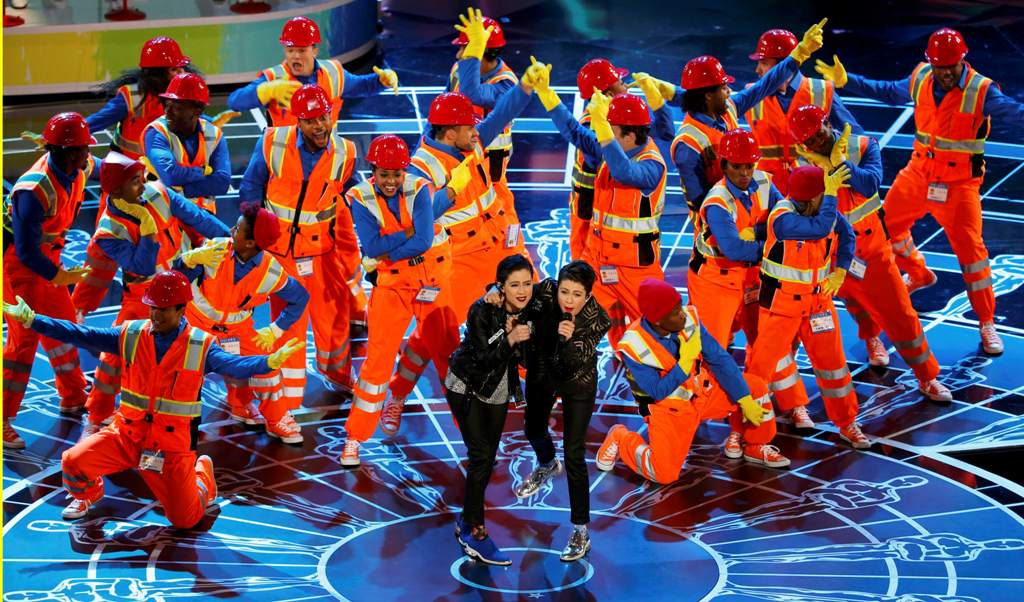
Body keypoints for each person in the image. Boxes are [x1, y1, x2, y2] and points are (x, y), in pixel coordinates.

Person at [1, 271, 303, 524]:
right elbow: (83, 335)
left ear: (181, 310)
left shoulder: (200, 345)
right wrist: (34, 321)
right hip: (126, 436)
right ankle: (88, 494)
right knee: (72, 462)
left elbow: (233, 365)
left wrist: (267, 363)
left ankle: (203, 477)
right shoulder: (131, 333)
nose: (155, 314)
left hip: (169, 449)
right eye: (152, 307)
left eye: (163, 309)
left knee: (185, 521)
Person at [815, 27, 1024, 354]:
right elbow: (889, 91)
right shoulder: (922, 76)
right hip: (918, 174)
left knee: (972, 258)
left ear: (962, 60)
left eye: (949, 66)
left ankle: (986, 322)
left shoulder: (982, 91)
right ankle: (919, 272)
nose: (943, 73)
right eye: (938, 66)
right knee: (886, 228)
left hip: (959, 186)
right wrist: (848, 80)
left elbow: (1018, 114)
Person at [384, 43, 538, 403]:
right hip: (459, 257)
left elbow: (501, 114)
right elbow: (417, 219)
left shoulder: (473, 141)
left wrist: (526, 88)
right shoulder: (421, 167)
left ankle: (533, 383)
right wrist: (448, 194)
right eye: (469, 125)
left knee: (527, 307)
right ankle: (397, 394)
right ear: (450, 132)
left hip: (498, 242)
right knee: (438, 334)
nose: (478, 129)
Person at [788, 104, 952, 403]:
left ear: (827, 121)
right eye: (808, 140)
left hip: (872, 251)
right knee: (853, 303)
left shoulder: (863, 145)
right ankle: (871, 338)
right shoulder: (801, 165)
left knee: (901, 315)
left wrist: (840, 167)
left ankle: (928, 377)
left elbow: (870, 184)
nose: (816, 142)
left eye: (818, 134)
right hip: (831, 255)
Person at [74, 152, 232, 438]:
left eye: (142, 177)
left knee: (187, 354)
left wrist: (227, 240)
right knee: (117, 355)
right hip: (143, 299)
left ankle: (183, 417)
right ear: (117, 189)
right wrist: (147, 227)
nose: (144, 183)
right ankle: (97, 415)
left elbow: (198, 218)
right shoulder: (108, 231)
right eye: (135, 181)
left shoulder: (158, 192)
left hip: (182, 287)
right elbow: (142, 266)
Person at [339, 135, 461, 465]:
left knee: (451, 358)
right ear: (372, 170)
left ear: (404, 171)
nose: (391, 181)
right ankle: (355, 437)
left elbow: (420, 241)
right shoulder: (359, 197)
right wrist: (393, 243)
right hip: (392, 286)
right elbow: (371, 246)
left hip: (432, 279)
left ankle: (470, 432)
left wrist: (388, 248)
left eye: (396, 174)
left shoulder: (420, 188)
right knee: (377, 361)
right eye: (384, 174)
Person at [529, 58, 667, 346]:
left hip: (636, 268)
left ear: (629, 135)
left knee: (661, 338)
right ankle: (543, 386)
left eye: (610, 129)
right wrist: (547, 95)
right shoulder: (612, 144)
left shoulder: (652, 165)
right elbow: (577, 133)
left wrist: (605, 130)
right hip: (597, 259)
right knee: (564, 332)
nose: (603, 135)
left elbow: (625, 172)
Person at [238, 84, 360, 408]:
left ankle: (337, 372)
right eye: (311, 121)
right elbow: (251, 184)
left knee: (333, 319)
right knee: (289, 325)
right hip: (280, 255)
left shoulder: (346, 152)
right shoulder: (272, 142)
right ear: (298, 122)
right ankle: (287, 402)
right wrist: (252, 224)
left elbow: (354, 196)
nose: (319, 126)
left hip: (322, 253)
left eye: (323, 117)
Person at [597, 278, 787, 484]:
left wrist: (744, 399)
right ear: (658, 320)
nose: (683, 313)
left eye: (680, 305)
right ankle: (621, 437)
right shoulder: (633, 346)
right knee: (664, 474)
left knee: (755, 388)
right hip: (670, 410)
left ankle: (754, 445)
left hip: (703, 394)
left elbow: (719, 359)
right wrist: (685, 362)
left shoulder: (688, 319)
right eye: (676, 311)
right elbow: (657, 391)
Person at [746, 165, 872, 449]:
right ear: (811, 197)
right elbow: (819, 230)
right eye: (825, 194)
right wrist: (829, 195)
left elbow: (847, 233)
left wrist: (840, 270)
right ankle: (749, 434)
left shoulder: (823, 213)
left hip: (818, 303)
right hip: (780, 304)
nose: (831, 198)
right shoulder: (782, 219)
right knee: (761, 369)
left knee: (834, 367)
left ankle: (847, 422)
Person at [180, 203, 311, 442]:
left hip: (238, 328)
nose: (231, 230)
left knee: (266, 365)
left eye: (238, 228)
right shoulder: (214, 249)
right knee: (185, 374)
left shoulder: (270, 270)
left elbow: (300, 298)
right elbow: (176, 280)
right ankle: (176, 424)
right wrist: (186, 261)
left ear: (251, 243)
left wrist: (275, 329)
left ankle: (271, 417)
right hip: (197, 325)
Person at [3, 112, 95, 448]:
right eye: (84, 150)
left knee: (64, 327)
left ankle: (73, 395)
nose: (89, 155)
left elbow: (101, 166)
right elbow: (26, 251)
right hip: (20, 268)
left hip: (50, 260)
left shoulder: (76, 167)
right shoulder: (33, 190)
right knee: (23, 342)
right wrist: (60, 276)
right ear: (66, 153)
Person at [514, 260, 611, 562]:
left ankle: (580, 530)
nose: (568, 300)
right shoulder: (545, 291)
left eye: (577, 295)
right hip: (543, 371)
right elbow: (523, 309)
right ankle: (546, 464)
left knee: (574, 454)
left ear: (589, 295)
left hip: (577, 382)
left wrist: (567, 339)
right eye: (565, 292)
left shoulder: (598, 319)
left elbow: (571, 362)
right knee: (532, 428)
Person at [447, 254, 535, 566]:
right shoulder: (482, 310)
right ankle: (474, 531)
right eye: (514, 285)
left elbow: (524, 361)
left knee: (487, 457)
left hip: (498, 391)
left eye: (527, 283)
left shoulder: (529, 312)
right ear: (501, 286)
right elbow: (484, 360)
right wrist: (509, 338)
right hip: (467, 387)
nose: (522, 291)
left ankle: (466, 519)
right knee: (481, 456)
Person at [448, 8, 530, 265]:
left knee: (510, 243)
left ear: (482, 55)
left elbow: (474, 94)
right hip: (461, 170)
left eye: (466, 49)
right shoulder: (459, 69)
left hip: (492, 182)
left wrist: (472, 51)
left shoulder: (506, 83)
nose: (460, 54)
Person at [743, 28, 861, 195]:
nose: (757, 70)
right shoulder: (753, 93)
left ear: (784, 65)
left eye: (763, 63)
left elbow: (856, 139)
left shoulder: (822, 91)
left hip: (812, 193)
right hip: (766, 194)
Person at [227, 16, 398, 126]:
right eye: (290, 50)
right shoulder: (273, 78)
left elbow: (362, 86)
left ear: (314, 50)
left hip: (326, 158)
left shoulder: (333, 72)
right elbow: (235, 101)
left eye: (301, 51)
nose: (295, 56)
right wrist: (266, 90)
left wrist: (381, 81)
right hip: (287, 162)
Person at [567, 59, 630, 258]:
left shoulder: (607, 118)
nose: (626, 86)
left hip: (597, 205)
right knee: (583, 263)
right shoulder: (592, 124)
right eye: (621, 82)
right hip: (589, 208)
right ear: (608, 94)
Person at [142, 72, 230, 215]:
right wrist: (203, 171)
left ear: (197, 111)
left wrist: (182, 190)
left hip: (203, 218)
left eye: (176, 107)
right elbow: (170, 176)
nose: (167, 112)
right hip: (163, 216)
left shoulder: (214, 135)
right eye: (167, 105)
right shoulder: (156, 132)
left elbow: (222, 183)